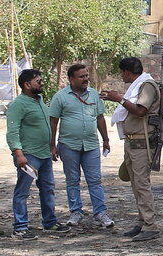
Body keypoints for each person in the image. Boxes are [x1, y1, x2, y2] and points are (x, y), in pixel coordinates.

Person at [6, 69, 71, 240]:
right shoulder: (18, 104)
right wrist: (19, 154)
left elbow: (47, 126)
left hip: (44, 155)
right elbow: (12, 132)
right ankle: (20, 228)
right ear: (27, 85)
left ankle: (49, 222)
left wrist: (51, 147)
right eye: (38, 81)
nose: (41, 83)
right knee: (22, 191)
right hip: (29, 155)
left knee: (48, 189)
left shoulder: (40, 100)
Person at [101, 57, 160, 242]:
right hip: (133, 142)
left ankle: (150, 225)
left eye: (122, 73)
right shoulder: (138, 85)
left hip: (142, 143)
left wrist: (119, 99)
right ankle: (143, 221)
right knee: (136, 184)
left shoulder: (147, 85)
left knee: (142, 184)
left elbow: (140, 111)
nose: (121, 76)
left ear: (127, 72)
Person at [49, 64, 115, 228]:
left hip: (91, 145)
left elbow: (100, 118)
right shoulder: (60, 97)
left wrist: (106, 139)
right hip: (68, 145)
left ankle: (100, 213)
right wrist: (52, 145)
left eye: (86, 76)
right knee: (72, 181)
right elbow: (53, 121)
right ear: (71, 79)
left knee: (95, 180)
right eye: (82, 76)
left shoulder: (93, 94)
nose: (86, 79)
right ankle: (76, 212)